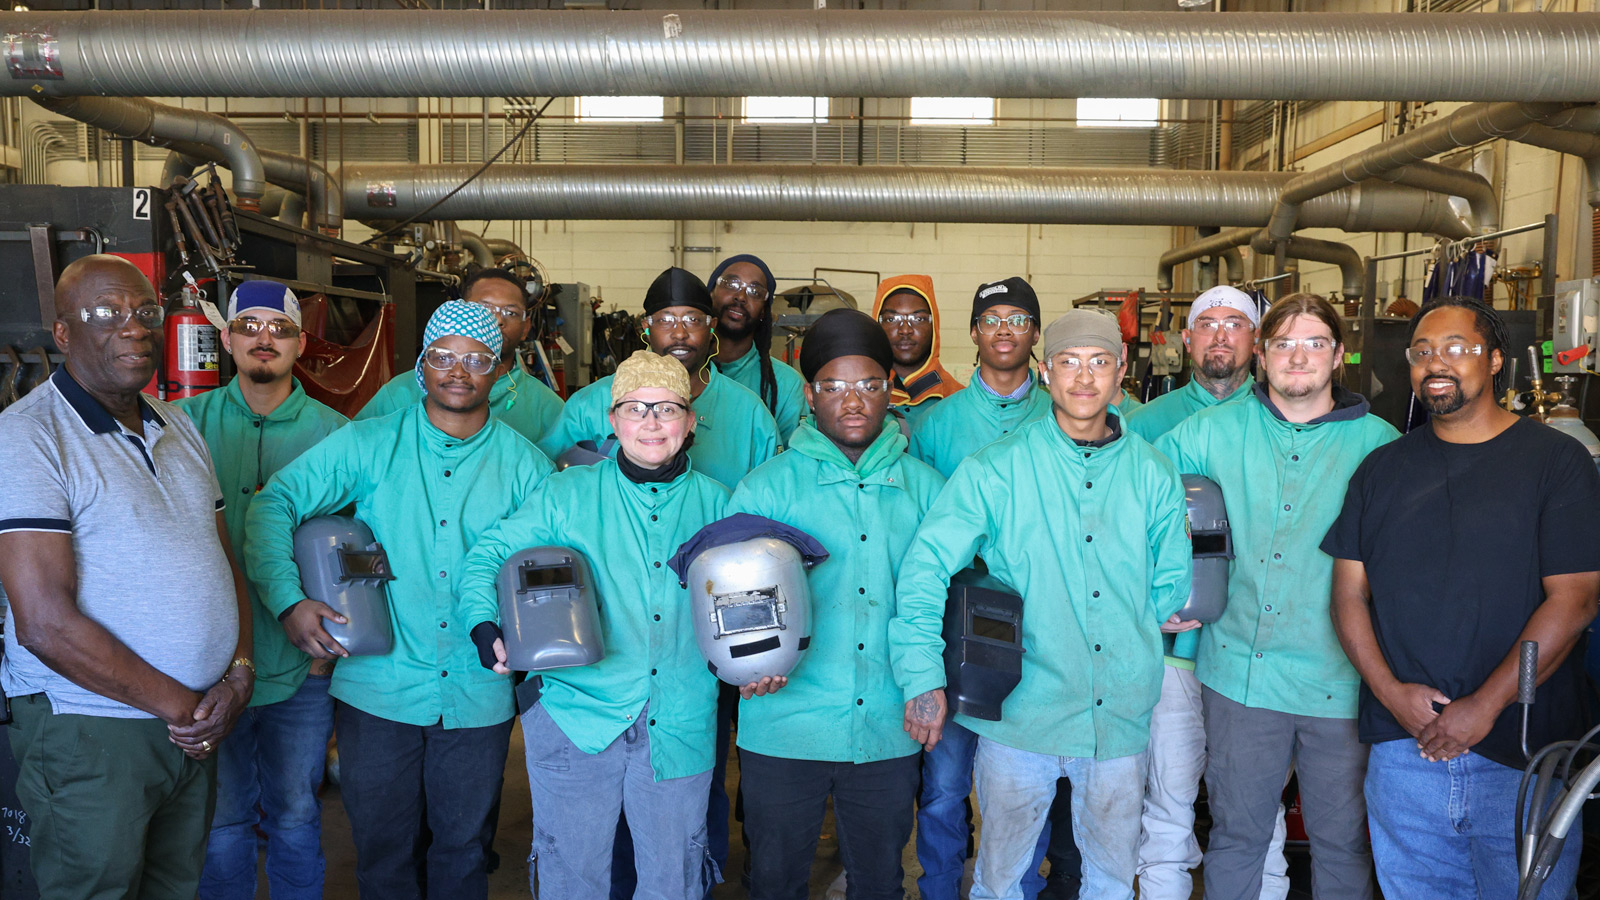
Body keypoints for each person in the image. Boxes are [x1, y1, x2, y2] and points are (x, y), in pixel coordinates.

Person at [245, 301, 553, 900]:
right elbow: (273, 504)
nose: (457, 370)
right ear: (421, 367)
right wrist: (288, 601)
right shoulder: (370, 444)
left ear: (498, 371)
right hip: (377, 691)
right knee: (383, 855)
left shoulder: (527, 468)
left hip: (478, 692)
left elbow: (555, 568)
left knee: (463, 852)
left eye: (475, 359)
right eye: (442, 356)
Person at [897, 308, 1191, 900]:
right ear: (1046, 371)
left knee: (1110, 879)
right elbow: (926, 565)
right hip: (1019, 713)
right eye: (1069, 363)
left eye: (1099, 362)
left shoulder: (1154, 475)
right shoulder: (996, 470)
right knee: (1001, 878)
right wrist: (921, 673)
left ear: (1121, 371)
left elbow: (1171, 585)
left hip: (1118, 721)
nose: (1084, 378)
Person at [1326, 296, 1600, 899]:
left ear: (1495, 360)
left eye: (1456, 348)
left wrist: (1485, 707)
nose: (1435, 363)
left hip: (1522, 760)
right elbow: (1348, 594)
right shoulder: (1382, 470)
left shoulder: (1557, 463)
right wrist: (1390, 693)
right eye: (1422, 352)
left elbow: (1575, 600)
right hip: (1406, 755)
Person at [0, 254, 254, 900]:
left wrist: (240, 671)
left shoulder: (178, 423)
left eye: (146, 312)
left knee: (174, 887)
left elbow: (222, 558)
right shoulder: (28, 438)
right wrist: (188, 711)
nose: (135, 327)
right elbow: (44, 623)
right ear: (63, 334)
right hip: (95, 730)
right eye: (107, 313)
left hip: (190, 723)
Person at [460, 349, 733, 900]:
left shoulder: (719, 506)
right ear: (613, 421)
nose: (651, 424)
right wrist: (482, 623)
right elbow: (489, 552)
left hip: (679, 719)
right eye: (636, 409)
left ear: (690, 420)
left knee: (674, 878)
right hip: (574, 717)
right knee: (571, 877)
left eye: (666, 409)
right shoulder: (568, 494)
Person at [1158, 294, 1395, 900]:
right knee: (1237, 836)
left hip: (1339, 681)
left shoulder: (1381, 445)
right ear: (1260, 356)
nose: (1298, 357)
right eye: (1284, 343)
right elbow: (1142, 507)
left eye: (1315, 343)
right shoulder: (1208, 432)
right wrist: (1163, 589)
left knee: (1342, 840)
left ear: (1339, 356)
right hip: (1239, 674)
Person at [727, 308, 948, 900]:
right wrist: (745, 667)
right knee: (774, 880)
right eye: (834, 386)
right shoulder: (766, 489)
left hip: (887, 724)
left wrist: (927, 685)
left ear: (889, 391)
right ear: (809, 394)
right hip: (784, 725)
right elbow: (731, 599)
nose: (853, 401)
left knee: (879, 882)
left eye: (869, 386)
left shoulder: (925, 490)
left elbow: (941, 601)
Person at [1122, 283, 1293, 899]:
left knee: (1255, 806)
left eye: (1236, 325)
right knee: (1166, 798)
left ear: (1258, 342)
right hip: (1170, 653)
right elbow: (1116, 528)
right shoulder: (1143, 425)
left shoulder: (1289, 421)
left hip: (1253, 653)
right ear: (1188, 340)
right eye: (1208, 325)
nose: (1221, 336)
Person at [179, 282, 348, 900]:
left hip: (299, 665)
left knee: (297, 814)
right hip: (206, 661)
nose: (263, 338)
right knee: (221, 821)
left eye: (279, 328)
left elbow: (359, 547)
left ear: (300, 343)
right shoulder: (181, 426)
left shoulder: (337, 434)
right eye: (248, 325)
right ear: (226, 339)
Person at [907, 277, 1056, 900]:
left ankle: (1017, 885)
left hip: (1044, 634)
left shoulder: (1063, 415)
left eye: (1018, 318)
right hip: (954, 634)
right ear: (972, 332)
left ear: (1034, 334)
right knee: (944, 785)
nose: (1003, 329)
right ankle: (941, 887)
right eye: (991, 317)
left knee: (1027, 787)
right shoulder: (933, 425)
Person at [539, 267, 778, 489]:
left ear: (711, 326)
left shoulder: (749, 413)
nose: (679, 333)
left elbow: (772, 498)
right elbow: (545, 478)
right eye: (665, 320)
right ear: (646, 326)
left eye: (692, 320)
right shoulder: (589, 405)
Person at [358, 267, 565, 444]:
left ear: (526, 327)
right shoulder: (398, 394)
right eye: (483, 308)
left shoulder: (547, 408)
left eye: (510, 312)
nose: (497, 320)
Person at [708, 254, 807, 442]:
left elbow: (790, 464)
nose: (741, 296)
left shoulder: (787, 385)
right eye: (731, 284)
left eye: (755, 291)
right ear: (711, 293)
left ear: (764, 311)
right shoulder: (680, 372)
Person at [871, 275, 959, 432]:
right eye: (892, 319)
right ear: (877, 323)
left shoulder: (957, 399)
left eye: (918, 318)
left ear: (934, 326)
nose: (905, 330)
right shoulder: (858, 396)